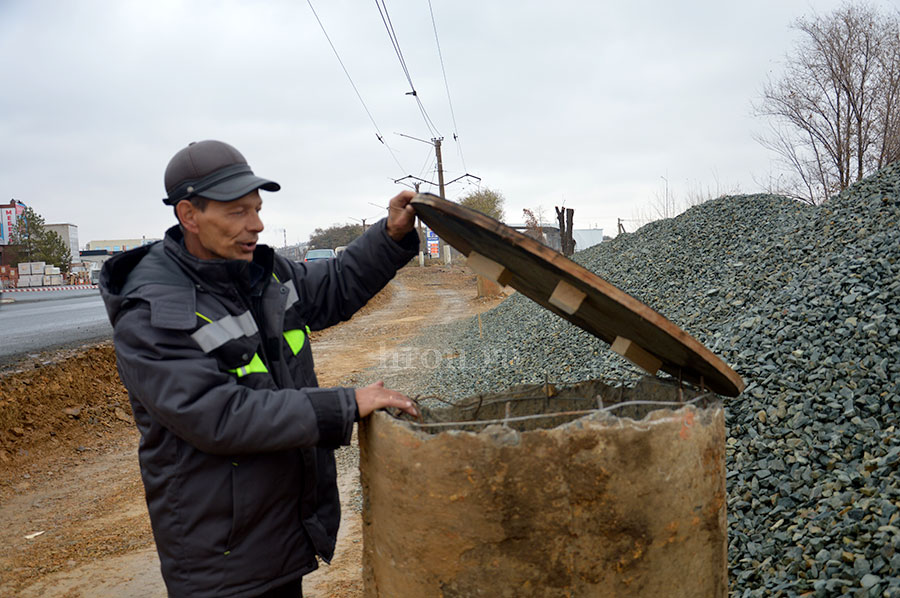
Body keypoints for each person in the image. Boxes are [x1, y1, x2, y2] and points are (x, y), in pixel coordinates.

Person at [99, 140, 420, 598]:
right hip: (222, 554)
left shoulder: (260, 273)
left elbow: (335, 286)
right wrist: (344, 404)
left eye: (257, 208)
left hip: (274, 531)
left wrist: (389, 235)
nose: (256, 224)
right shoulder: (157, 310)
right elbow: (218, 417)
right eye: (236, 212)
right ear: (189, 216)